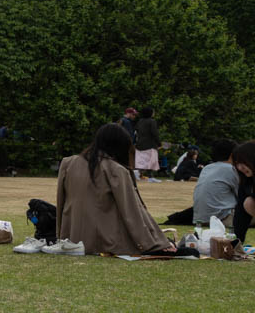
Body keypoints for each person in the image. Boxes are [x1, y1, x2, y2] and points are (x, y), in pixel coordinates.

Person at [55, 123, 174, 256]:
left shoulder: (68, 163)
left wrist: (60, 236)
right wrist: (155, 243)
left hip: (71, 239)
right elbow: (132, 212)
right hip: (104, 242)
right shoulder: (116, 170)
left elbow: (61, 204)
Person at [164, 140, 236, 227]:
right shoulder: (231, 169)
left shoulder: (207, 168)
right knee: (252, 205)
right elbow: (242, 196)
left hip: (200, 219)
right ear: (232, 154)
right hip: (221, 219)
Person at [132, 107, 161, 180]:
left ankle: (138, 175)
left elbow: (136, 132)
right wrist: (159, 143)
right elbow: (154, 133)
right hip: (150, 144)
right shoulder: (152, 121)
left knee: (142, 161)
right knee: (151, 161)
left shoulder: (140, 121)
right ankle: (151, 177)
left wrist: (135, 142)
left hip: (140, 144)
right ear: (150, 113)